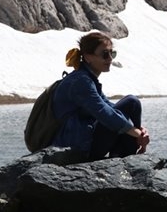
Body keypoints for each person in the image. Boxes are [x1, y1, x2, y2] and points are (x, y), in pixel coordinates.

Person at [51, 31, 149, 160]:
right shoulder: (80, 82)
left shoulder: (88, 79)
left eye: (112, 53)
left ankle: (122, 158)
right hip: (76, 148)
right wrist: (136, 134)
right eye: (105, 54)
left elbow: (109, 107)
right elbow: (103, 112)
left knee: (131, 103)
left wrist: (139, 130)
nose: (110, 59)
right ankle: (124, 159)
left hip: (84, 141)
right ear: (88, 57)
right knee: (130, 104)